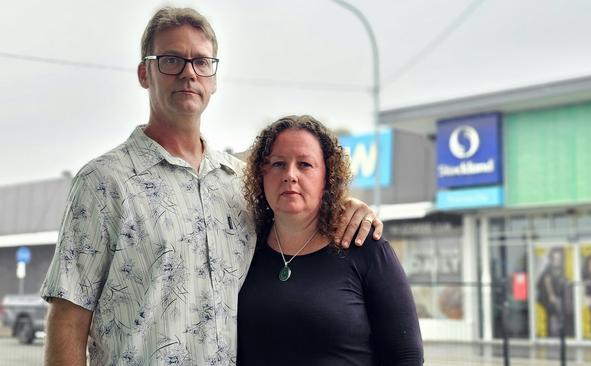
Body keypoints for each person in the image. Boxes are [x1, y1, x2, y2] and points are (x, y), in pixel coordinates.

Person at [40, 8, 381, 365]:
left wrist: (349, 208)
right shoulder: (104, 182)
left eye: (201, 62)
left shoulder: (242, 185)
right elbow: (68, 317)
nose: (188, 73)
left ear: (213, 79)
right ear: (145, 73)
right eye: (171, 60)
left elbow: (299, 224)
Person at [237, 115, 424, 365]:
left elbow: (406, 357)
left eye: (305, 164)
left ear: (327, 178)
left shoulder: (363, 246)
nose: (290, 175)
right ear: (261, 175)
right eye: (278, 164)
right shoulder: (244, 245)